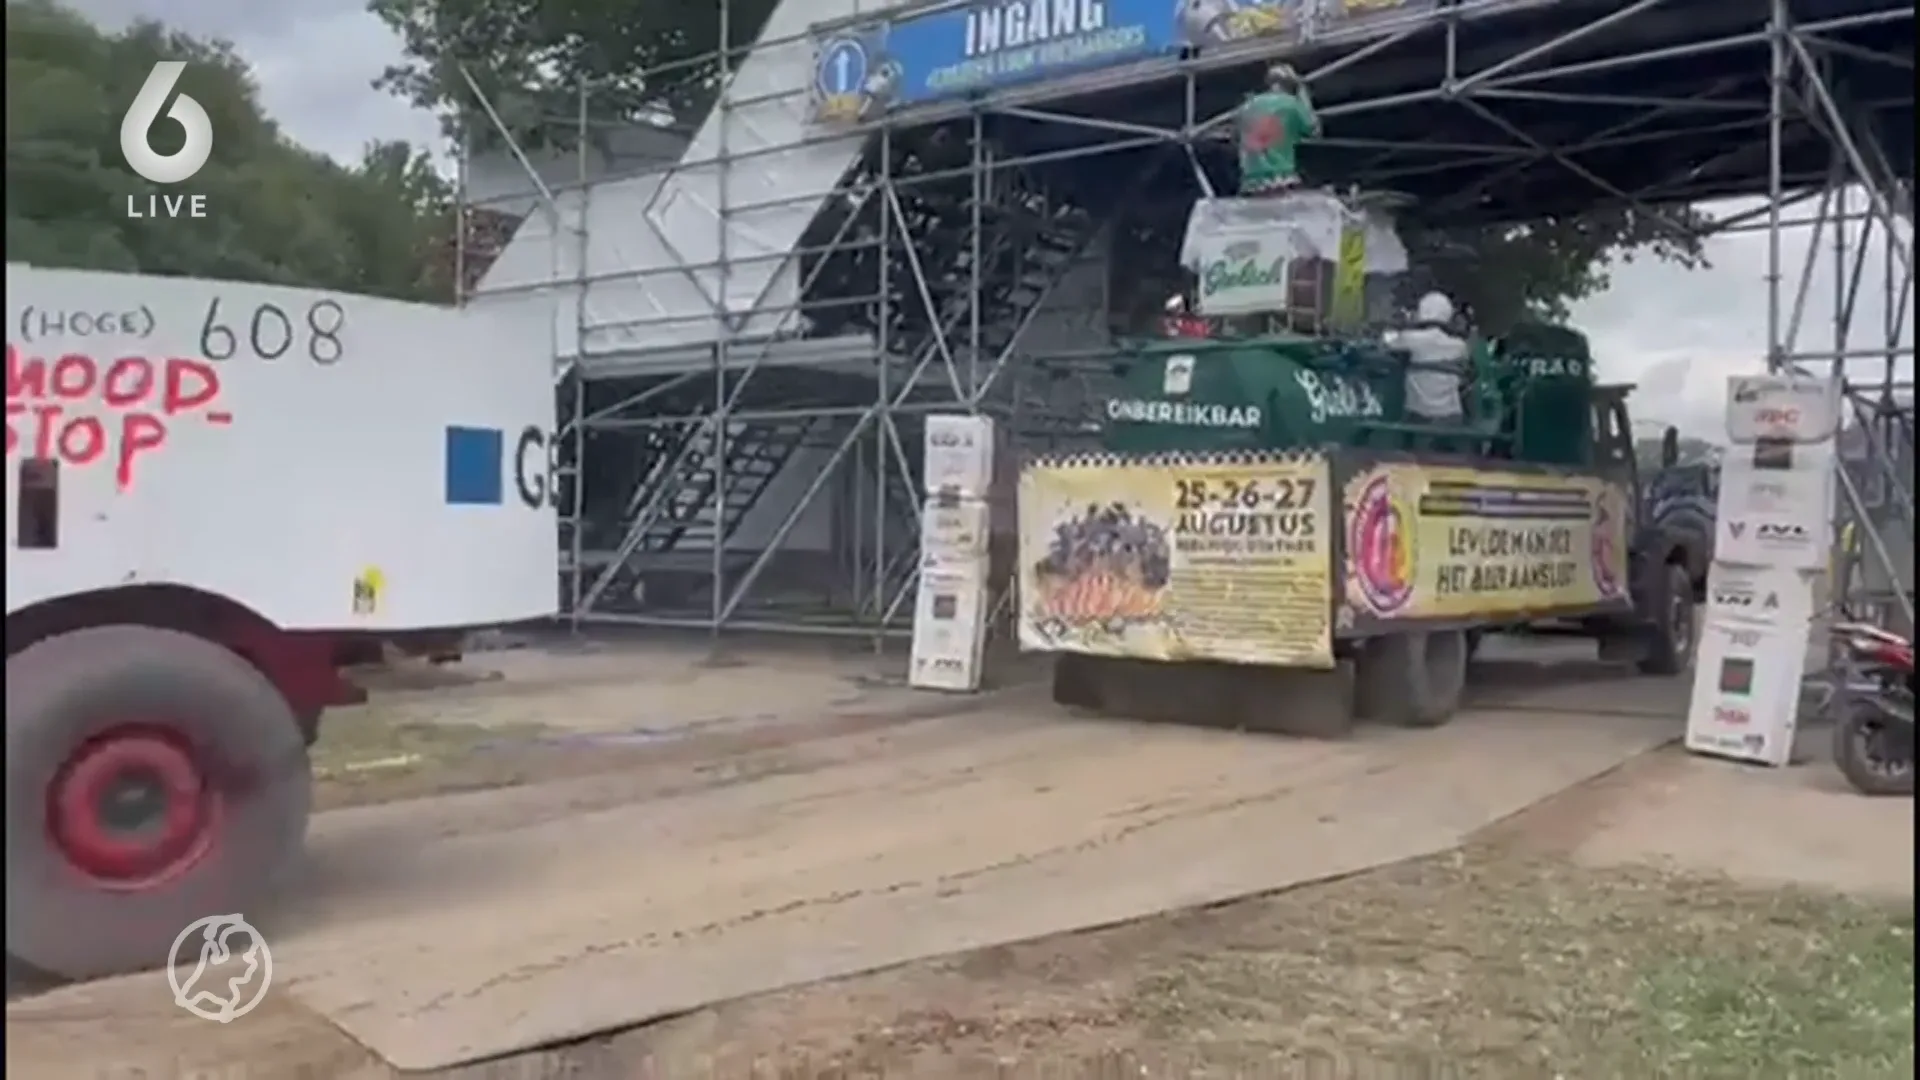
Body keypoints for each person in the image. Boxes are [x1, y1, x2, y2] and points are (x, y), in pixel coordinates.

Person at [1236, 63, 1322, 196]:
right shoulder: (1291, 103)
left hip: (1249, 182)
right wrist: (1303, 95)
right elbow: (1315, 131)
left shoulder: (1247, 106)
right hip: (1280, 179)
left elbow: (1235, 137)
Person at [1383, 291, 1467, 422]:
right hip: (1451, 413)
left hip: (1417, 411)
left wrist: (1400, 324)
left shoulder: (1410, 338)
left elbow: (1387, 342)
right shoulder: (1459, 345)